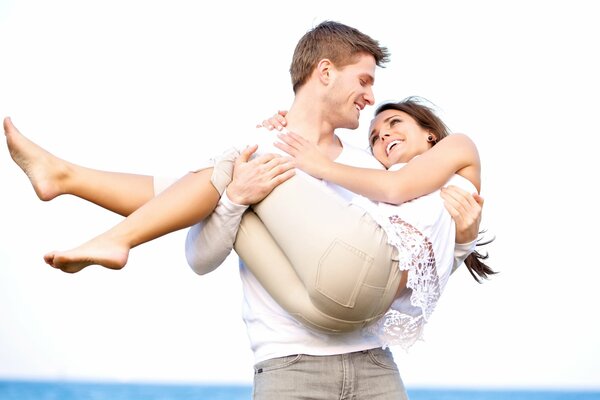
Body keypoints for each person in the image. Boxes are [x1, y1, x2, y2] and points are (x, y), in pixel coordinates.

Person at [3, 21, 487, 400]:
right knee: (237, 174)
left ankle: (83, 195)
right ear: (323, 72)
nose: (371, 100)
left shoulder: (368, 169)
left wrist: (464, 240)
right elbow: (199, 259)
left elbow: (414, 249)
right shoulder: (272, 148)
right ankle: (79, 193)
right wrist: (234, 200)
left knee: (235, 163)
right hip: (291, 362)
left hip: (372, 358)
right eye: (363, 80)